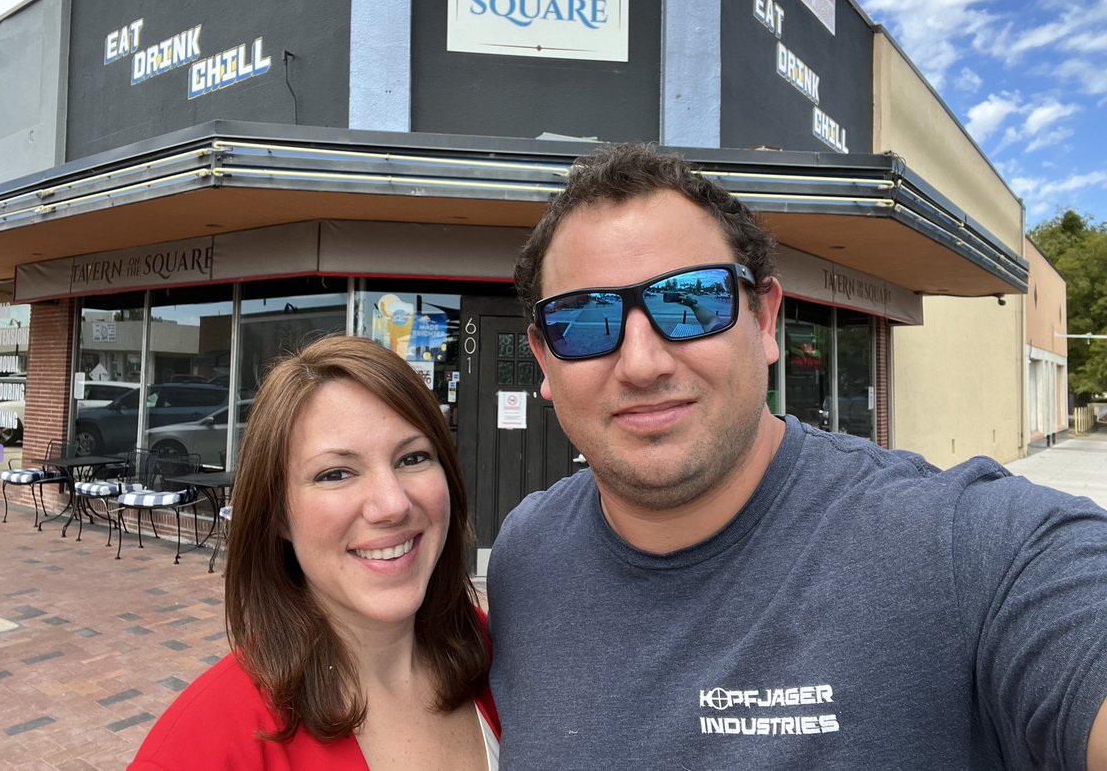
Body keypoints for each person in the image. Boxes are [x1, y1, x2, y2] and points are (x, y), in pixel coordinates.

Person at [488, 142, 1107, 769]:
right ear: (544, 360)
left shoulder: (963, 551)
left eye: (692, 302)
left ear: (763, 322)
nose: (642, 363)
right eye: (585, 321)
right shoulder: (527, 554)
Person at [132, 336, 498, 769]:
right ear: (279, 516)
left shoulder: (502, 651)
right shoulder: (202, 747)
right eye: (335, 473)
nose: (393, 504)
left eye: (412, 458)